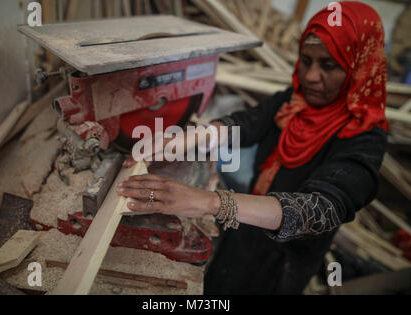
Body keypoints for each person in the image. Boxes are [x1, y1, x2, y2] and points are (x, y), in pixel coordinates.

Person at [117, 1, 389, 294]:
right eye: (306, 60)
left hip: (283, 261)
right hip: (246, 226)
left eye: (328, 65)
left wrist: (211, 202)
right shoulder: (295, 100)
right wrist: (184, 138)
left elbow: (320, 209)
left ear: (359, 66)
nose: (310, 75)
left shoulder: (366, 138)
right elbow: (248, 123)